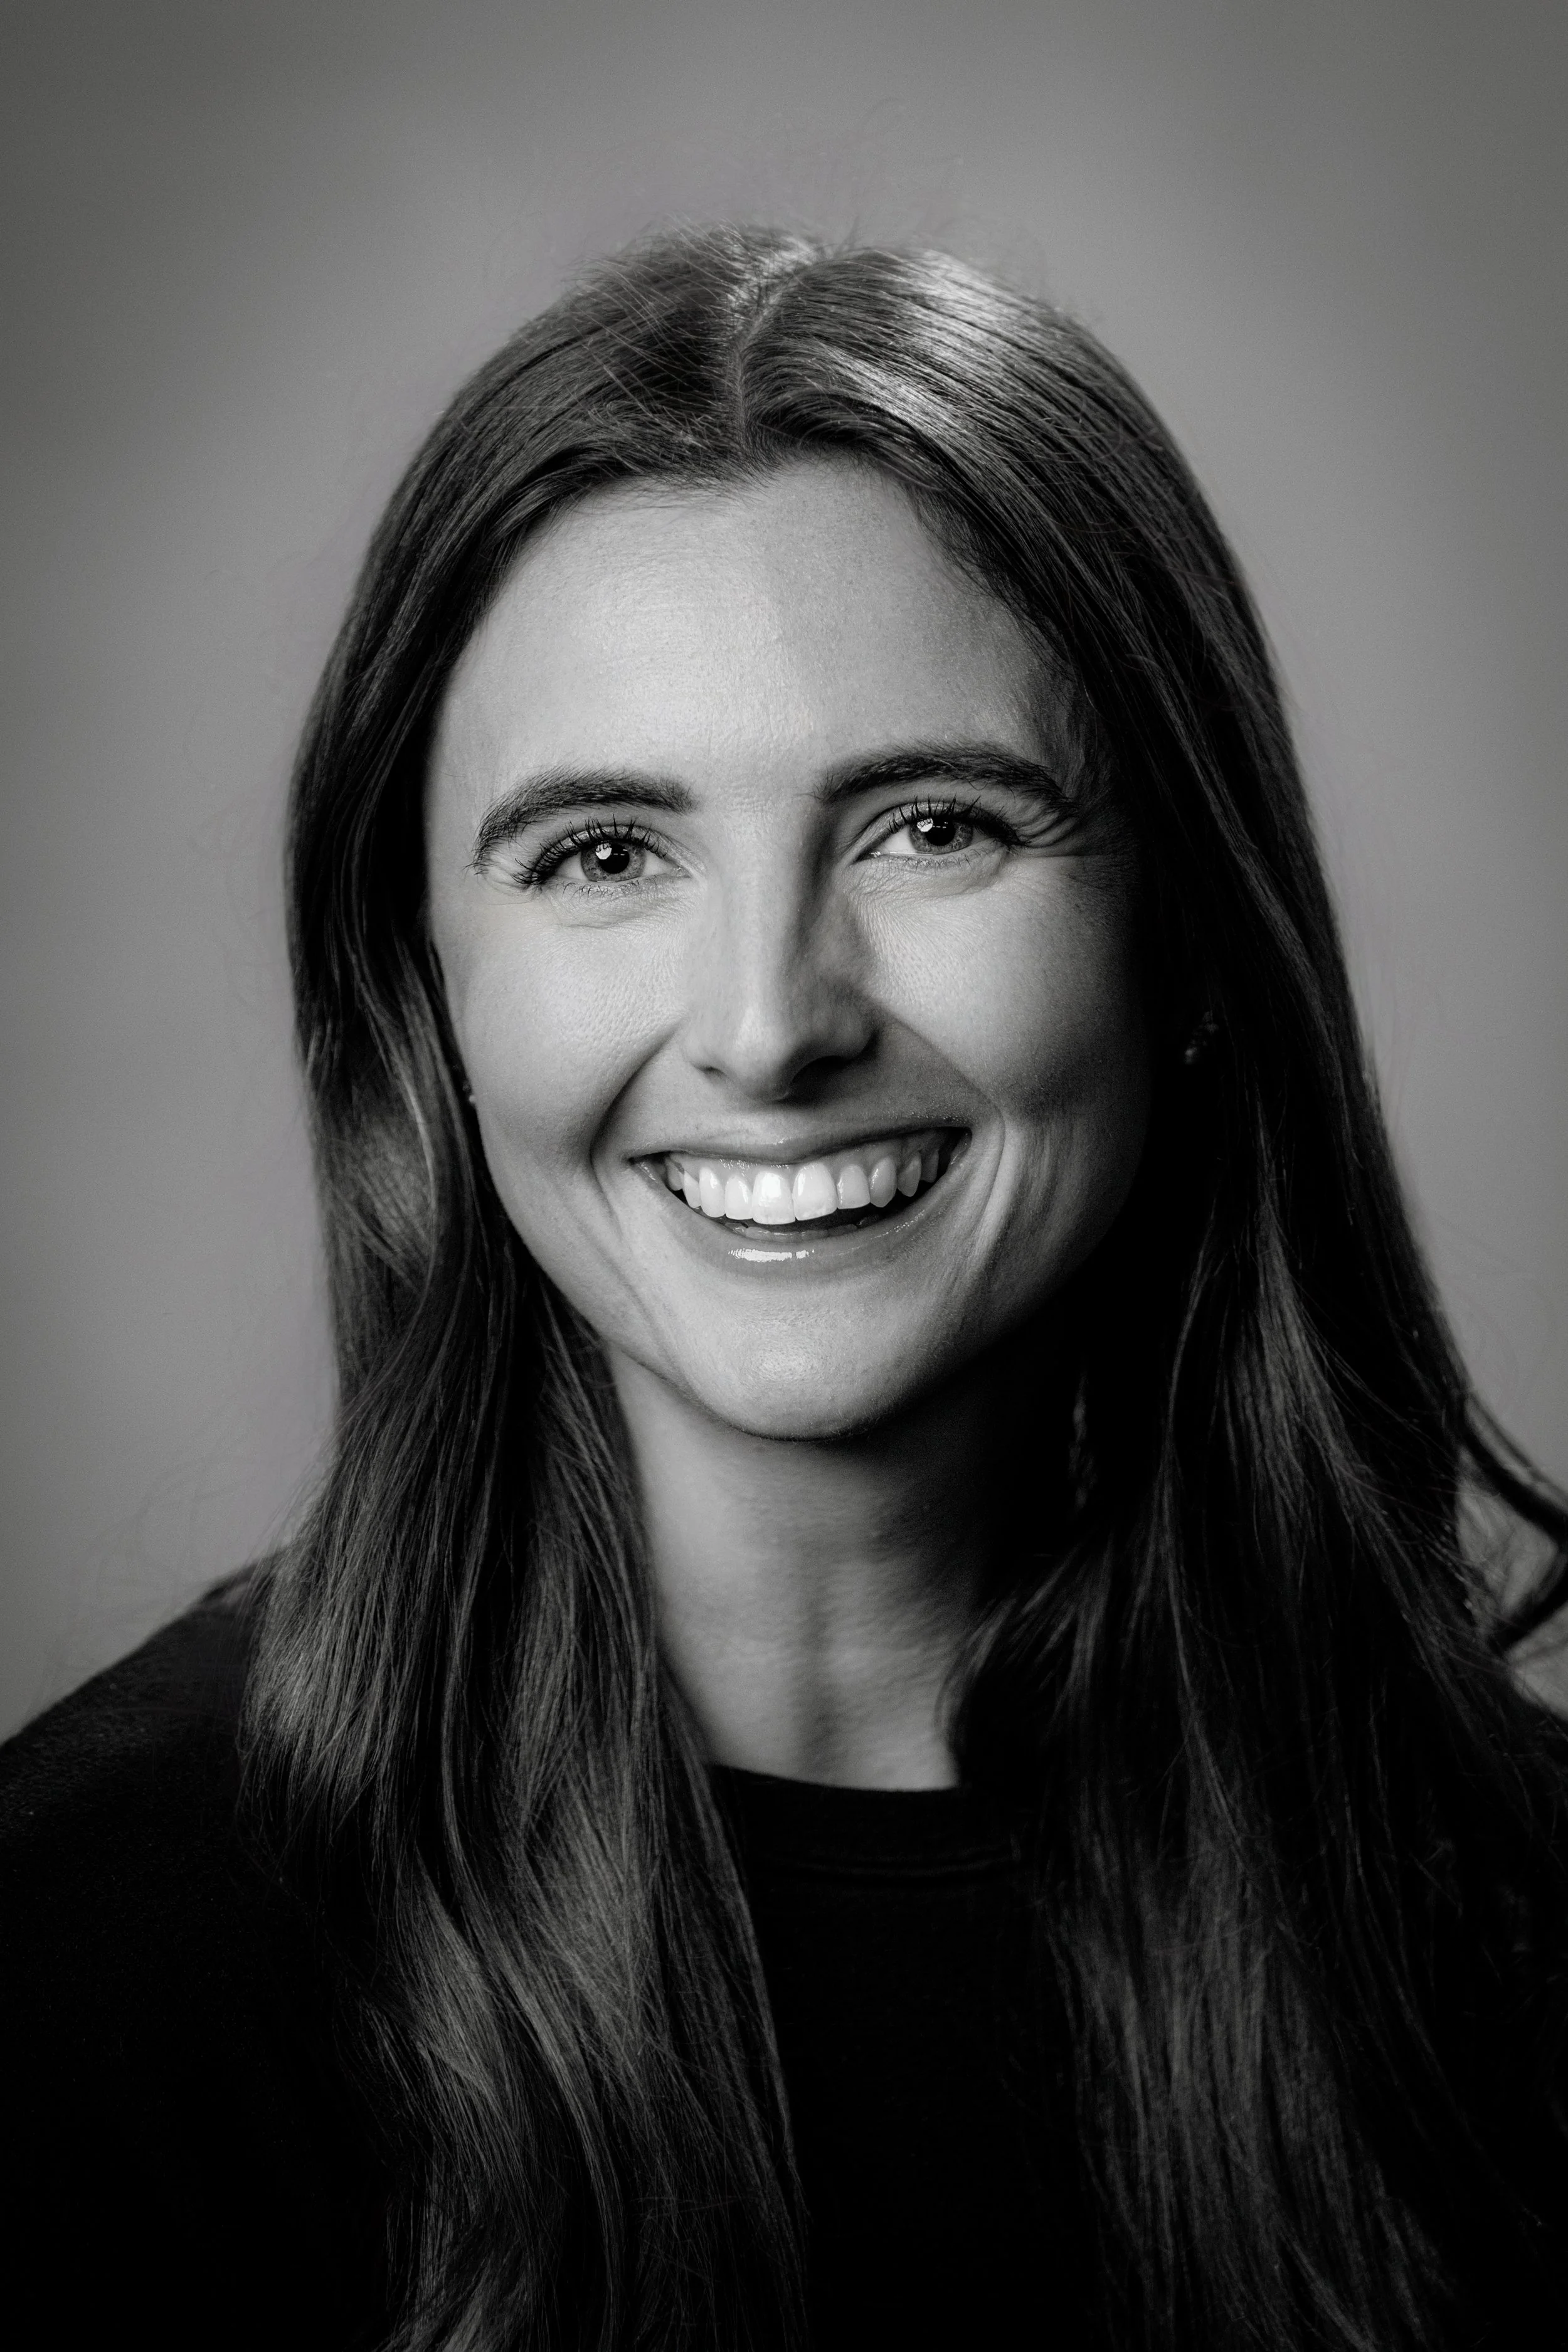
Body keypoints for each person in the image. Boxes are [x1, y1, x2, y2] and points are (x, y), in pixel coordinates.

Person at [3, 223, 1566, 2352]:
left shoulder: (1511, 1938)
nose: (768, 1025)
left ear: (1191, 937)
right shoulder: (78, 1970)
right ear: (424, 992)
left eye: (931, 824)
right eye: (602, 853)